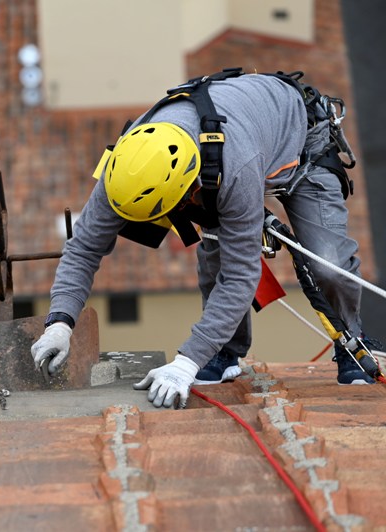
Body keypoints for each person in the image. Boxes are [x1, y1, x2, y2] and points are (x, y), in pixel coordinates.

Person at [31, 68, 380, 409]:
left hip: (302, 145)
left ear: (189, 188)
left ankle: (350, 341)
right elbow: (83, 248)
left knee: (328, 265)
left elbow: (242, 274)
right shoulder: (125, 169)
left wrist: (186, 361)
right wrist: (60, 323)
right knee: (214, 253)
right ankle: (225, 349)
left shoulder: (235, 167)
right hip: (242, 137)